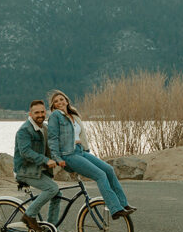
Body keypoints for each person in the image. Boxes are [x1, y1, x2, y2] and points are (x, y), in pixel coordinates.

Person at [46, 89, 136, 220]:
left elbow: (81, 135)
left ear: (66, 100)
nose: (59, 102)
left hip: (81, 151)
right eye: (56, 101)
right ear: (53, 106)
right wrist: (57, 158)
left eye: (61, 99)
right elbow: (52, 139)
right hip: (69, 155)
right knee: (100, 175)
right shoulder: (55, 116)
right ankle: (115, 209)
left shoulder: (74, 116)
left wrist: (86, 150)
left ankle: (123, 204)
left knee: (108, 170)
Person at [13, 100, 73, 232]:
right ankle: (29, 215)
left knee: (57, 194)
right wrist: (46, 161)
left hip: (38, 170)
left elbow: (53, 146)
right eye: (36, 112)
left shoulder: (44, 128)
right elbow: (26, 152)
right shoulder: (24, 130)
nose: (40, 115)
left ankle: (51, 230)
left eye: (42, 112)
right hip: (25, 171)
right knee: (52, 188)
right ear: (30, 114)